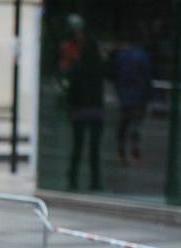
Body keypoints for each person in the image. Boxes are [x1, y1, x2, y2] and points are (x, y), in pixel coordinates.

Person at [59, 14, 104, 191]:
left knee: (82, 147)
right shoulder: (90, 65)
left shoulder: (78, 65)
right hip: (90, 108)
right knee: (89, 148)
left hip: (84, 108)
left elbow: (70, 86)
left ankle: (78, 179)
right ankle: (88, 180)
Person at [111, 38, 152, 166]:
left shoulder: (121, 56)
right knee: (136, 124)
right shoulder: (143, 56)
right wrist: (149, 96)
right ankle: (135, 152)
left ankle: (120, 150)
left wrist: (119, 92)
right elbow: (147, 77)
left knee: (123, 124)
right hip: (139, 97)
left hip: (124, 96)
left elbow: (115, 75)